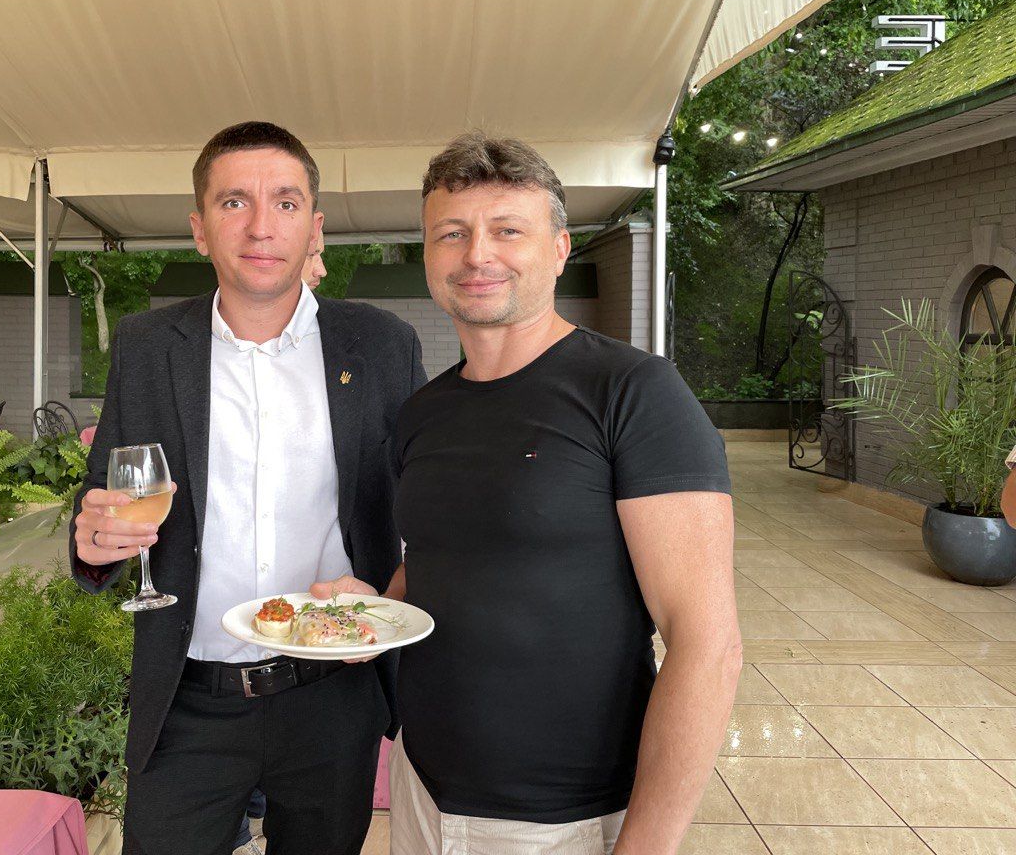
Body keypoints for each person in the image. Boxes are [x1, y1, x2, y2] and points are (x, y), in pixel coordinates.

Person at [315, 133, 741, 855]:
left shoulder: (635, 393)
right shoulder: (423, 412)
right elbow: (442, 561)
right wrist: (372, 612)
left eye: (508, 230)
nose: (477, 254)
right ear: (428, 253)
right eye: (452, 233)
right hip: (422, 792)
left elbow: (708, 645)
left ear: (560, 248)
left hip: (561, 822)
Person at [70, 121, 427, 855]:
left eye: (286, 203)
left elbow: (429, 510)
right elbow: (106, 495)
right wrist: (93, 544)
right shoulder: (146, 346)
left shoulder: (382, 344)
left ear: (315, 228)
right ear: (200, 229)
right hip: (188, 701)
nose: (262, 226)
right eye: (234, 202)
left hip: (330, 697)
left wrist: (387, 599)